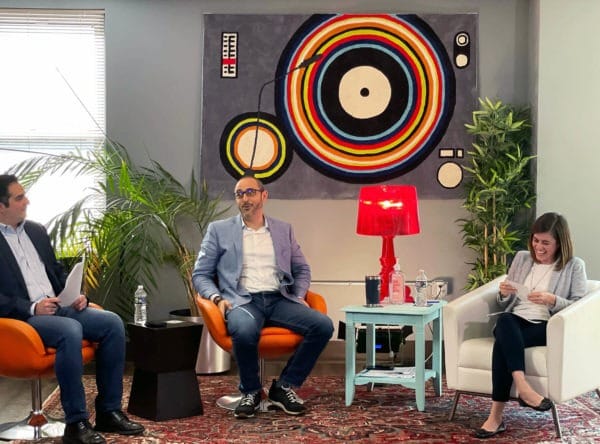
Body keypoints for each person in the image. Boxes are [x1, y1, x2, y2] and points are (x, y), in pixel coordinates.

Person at [0, 175, 144, 444]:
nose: (26, 201)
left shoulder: (36, 231)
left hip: (58, 306)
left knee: (111, 323)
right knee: (70, 330)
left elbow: (56, 272)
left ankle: (109, 412)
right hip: (23, 318)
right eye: (19, 198)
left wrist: (75, 295)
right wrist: (32, 307)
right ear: (1, 207)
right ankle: (76, 423)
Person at [192, 174, 334, 419]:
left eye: (250, 192)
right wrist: (216, 298)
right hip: (242, 301)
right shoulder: (219, 230)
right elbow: (201, 274)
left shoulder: (283, 230)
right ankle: (251, 391)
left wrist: (299, 295)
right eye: (239, 194)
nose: (244, 198)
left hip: (279, 299)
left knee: (323, 326)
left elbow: (302, 269)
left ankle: (284, 386)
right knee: (244, 329)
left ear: (263, 195)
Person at [475, 212, 587, 439]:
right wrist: (504, 293)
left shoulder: (574, 266)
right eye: (536, 240)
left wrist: (552, 300)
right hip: (515, 321)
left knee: (504, 341)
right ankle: (524, 388)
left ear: (559, 243)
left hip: (547, 326)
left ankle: (495, 417)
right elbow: (505, 303)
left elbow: (579, 307)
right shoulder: (522, 258)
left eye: (546, 243)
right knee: (506, 321)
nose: (539, 247)